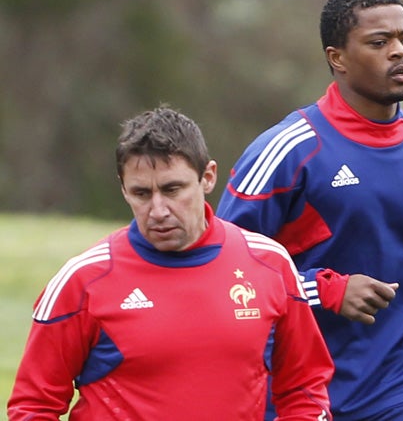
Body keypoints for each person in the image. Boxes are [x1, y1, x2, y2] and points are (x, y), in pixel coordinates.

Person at [216, 0, 403, 419]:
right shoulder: (289, 150)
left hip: (395, 389)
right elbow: (223, 268)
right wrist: (326, 290)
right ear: (337, 58)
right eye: (378, 42)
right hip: (294, 391)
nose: (398, 51)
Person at [7, 106, 334, 420]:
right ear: (123, 190)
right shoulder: (83, 281)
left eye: (172, 189)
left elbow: (304, 392)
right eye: (141, 194)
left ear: (207, 178)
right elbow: (33, 406)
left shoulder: (269, 264)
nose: (158, 210)